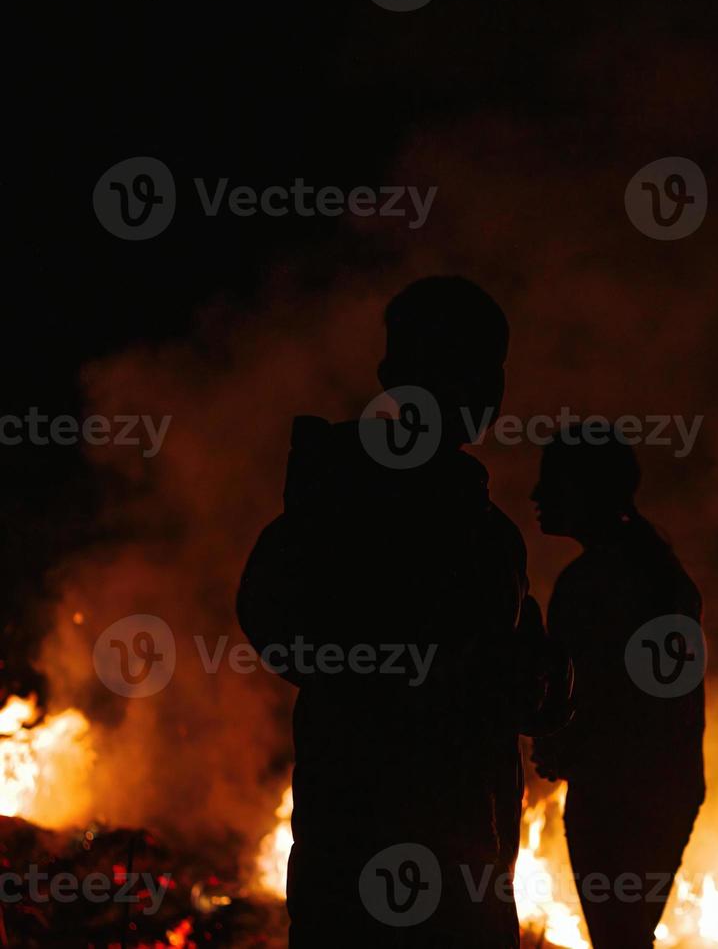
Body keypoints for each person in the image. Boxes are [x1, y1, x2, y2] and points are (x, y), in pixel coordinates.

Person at [237, 276, 569, 947]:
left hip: (464, 852)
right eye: (468, 369)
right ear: (398, 375)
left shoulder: (485, 529)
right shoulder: (339, 502)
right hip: (366, 852)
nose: (485, 392)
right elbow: (276, 619)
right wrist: (406, 679)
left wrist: (538, 686)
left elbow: (520, 665)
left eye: (488, 371)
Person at [530, 429, 705, 949]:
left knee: (618, 938)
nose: (537, 497)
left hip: (614, 792)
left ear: (586, 490)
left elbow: (593, 692)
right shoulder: (660, 570)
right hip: (665, 785)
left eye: (551, 483)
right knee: (627, 936)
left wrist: (555, 739)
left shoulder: (592, 583)